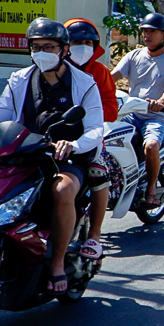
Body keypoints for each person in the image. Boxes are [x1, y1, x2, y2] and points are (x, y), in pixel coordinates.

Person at [0, 17, 104, 294]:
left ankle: (56, 263)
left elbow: (95, 130)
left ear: (64, 50)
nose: (42, 53)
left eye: (49, 47)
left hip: (65, 157)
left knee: (63, 190)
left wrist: (74, 144)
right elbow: (0, 114)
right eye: (36, 47)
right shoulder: (19, 79)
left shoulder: (86, 83)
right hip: (23, 151)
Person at [112, 11, 164, 208]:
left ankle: (152, 186)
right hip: (131, 112)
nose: (147, 35)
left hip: (156, 116)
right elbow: (114, 76)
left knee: (151, 146)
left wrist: (160, 102)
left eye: (153, 32)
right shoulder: (134, 56)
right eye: (145, 31)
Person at [65, 18, 118, 258]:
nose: (82, 47)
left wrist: (88, 111)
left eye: (88, 42)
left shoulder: (100, 72)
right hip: (52, 138)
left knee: (99, 174)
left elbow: (111, 109)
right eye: (76, 42)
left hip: (90, 138)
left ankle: (95, 237)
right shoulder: (52, 68)